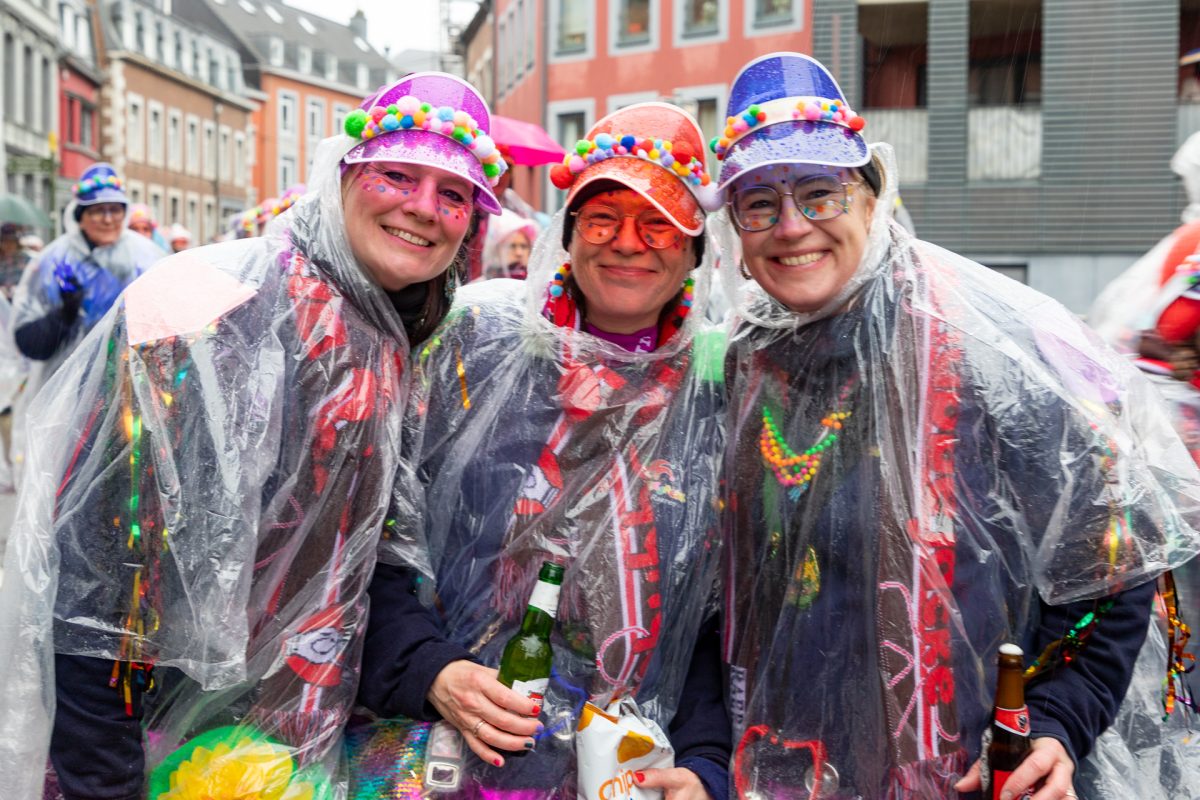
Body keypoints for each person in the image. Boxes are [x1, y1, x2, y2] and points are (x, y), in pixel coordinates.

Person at [0, 71, 506, 800]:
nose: (423, 208)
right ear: (345, 174)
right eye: (398, 174)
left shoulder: (402, 344)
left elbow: (366, 562)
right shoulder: (208, 305)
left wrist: (428, 668)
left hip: (285, 750)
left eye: (453, 194)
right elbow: (95, 586)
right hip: (150, 747)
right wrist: (103, 785)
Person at [713, 53, 1200, 799]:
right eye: (758, 204)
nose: (791, 227)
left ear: (871, 198)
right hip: (788, 770)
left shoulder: (987, 337)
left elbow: (1114, 556)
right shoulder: (747, 359)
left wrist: (1055, 723)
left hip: (964, 776)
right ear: (736, 235)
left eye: (819, 193)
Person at [357, 102, 731, 799]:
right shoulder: (475, 345)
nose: (628, 242)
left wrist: (707, 766)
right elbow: (367, 543)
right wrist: (427, 670)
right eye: (602, 218)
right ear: (569, 234)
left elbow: (719, 620)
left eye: (658, 223)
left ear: (694, 248)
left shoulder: (723, 390)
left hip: (625, 774)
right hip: (444, 758)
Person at [480, 208, 537, 280]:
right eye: (512, 246)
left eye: (524, 246)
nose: (519, 253)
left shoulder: (538, 283)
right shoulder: (484, 283)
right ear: (497, 249)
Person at [0, 223, 30, 300]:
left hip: (20, 299)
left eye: (11, 241)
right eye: (4, 241)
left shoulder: (26, 259)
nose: (8, 245)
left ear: (17, 242)